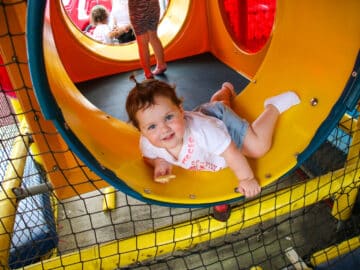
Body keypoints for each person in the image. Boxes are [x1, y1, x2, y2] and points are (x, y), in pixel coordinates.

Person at [125, 77, 301, 221]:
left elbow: (231, 152)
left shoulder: (202, 131)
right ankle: (224, 92)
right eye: (152, 127)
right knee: (215, 109)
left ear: (180, 110)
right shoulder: (148, 144)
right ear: (141, 131)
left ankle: (273, 107)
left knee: (257, 147)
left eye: (169, 117)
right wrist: (159, 162)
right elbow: (148, 157)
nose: (163, 129)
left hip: (219, 121)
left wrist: (246, 178)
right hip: (208, 115)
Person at [128, 0, 167, 79]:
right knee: (153, 36)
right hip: (153, 4)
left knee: (142, 42)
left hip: (138, 7)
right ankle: (161, 64)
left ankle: (148, 73)